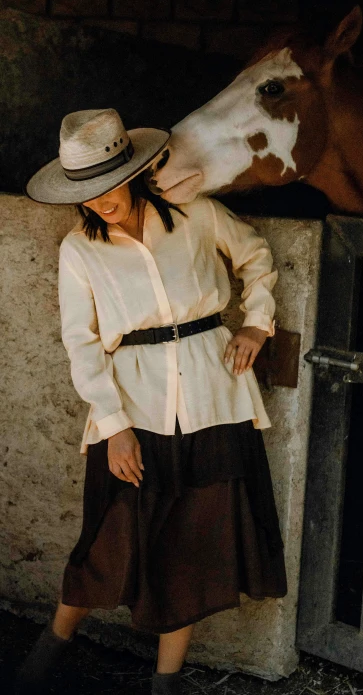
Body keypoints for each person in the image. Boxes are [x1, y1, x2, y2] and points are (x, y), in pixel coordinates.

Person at [15, 108, 287, 694]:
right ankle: (41, 662)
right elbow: (81, 344)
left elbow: (256, 257)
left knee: (191, 549)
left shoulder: (197, 215)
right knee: (107, 544)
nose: (99, 201)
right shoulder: (79, 250)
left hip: (216, 400)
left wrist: (256, 325)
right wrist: (113, 425)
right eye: (85, 192)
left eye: (108, 186)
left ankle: (164, 686)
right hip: (133, 410)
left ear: (136, 172)